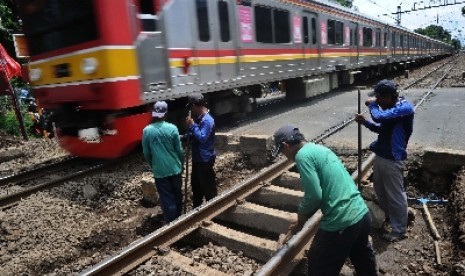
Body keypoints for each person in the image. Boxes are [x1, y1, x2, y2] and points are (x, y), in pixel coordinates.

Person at [272, 125, 377, 276]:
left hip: (341, 221)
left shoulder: (302, 156)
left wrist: (301, 217)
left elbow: (314, 195)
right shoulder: (318, 149)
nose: (284, 155)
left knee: (319, 264)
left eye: (281, 151)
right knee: (363, 259)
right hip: (361, 214)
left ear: (285, 145)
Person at [355, 79, 414, 242]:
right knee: (381, 190)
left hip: (392, 159)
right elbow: (381, 128)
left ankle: (399, 229)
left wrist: (371, 104)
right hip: (381, 155)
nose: (377, 100)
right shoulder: (392, 109)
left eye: (379, 98)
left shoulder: (404, 108)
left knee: (395, 194)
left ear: (388, 97)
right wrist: (365, 122)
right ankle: (393, 217)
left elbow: (379, 117)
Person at [142, 101, 184, 222]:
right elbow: (179, 150)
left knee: (167, 197)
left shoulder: (147, 131)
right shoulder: (173, 128)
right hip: (175, 168)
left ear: (153, 114)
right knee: (177, 194)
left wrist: (153, 165)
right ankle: (179, 218)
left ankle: (171, 222)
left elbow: (147, 153)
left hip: (160, 171)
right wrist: (181, 164)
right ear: (165, 114)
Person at [185, 93, 217, 208]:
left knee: (208, 187)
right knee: (196, 186)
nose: (191, 110)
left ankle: (212, 209)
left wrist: (192, 126)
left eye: (191, 107)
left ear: (194, 105)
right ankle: (197, 208)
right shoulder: (199, 119)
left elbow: (202, 137)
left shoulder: (208, 120)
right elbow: (195, 134)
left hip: (205, 159)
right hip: (198, 158)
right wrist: (186, 135)